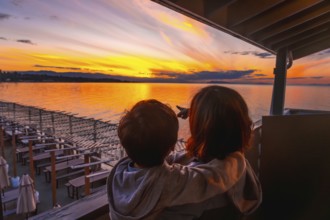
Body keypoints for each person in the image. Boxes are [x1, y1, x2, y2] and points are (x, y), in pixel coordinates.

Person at [107, 98, 261, 220]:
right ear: (172, 146)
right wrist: (236, 156)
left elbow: (170, 160)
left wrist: (194, 112)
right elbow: (216, 176)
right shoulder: (172, 183)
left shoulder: (117, 174)